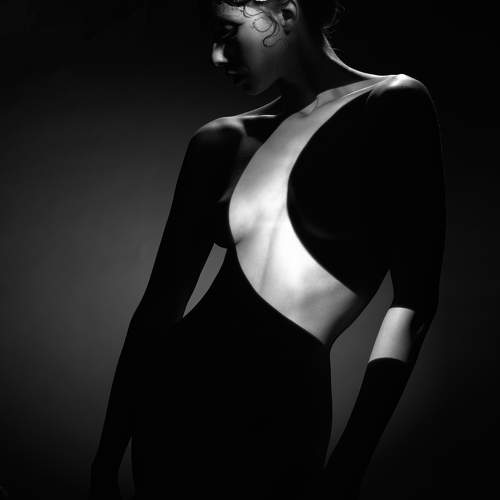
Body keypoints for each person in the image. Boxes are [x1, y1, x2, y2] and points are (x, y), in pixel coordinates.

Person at [89, 1, 446, 499]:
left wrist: (350, 464)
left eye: (228, 32)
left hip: (285, 412)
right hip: (176, 404)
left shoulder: (392, 105)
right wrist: (107, 459)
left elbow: (414, 302)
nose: (217, 57)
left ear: (285, 12)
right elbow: (158, 309)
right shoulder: (221, 142)